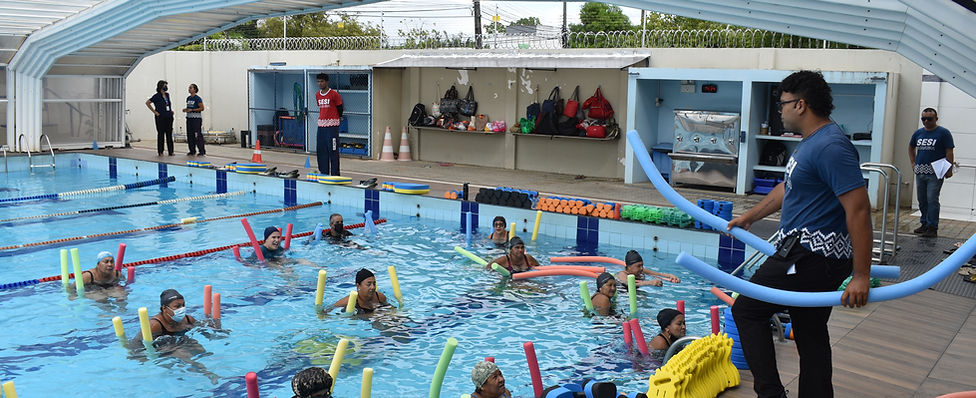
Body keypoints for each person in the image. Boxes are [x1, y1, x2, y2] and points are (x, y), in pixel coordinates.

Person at [726, 70, 872, 398]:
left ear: (801, 104)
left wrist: (862, 275)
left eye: (783, 104)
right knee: (810, 332)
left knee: (746, 310)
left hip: (807, 256)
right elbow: (786, 188)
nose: (780, 111)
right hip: (811, 255)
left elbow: (859, 209)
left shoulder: (831, 146)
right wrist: (751, 216)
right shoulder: (812, 142)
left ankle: (770, 393)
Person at [909, 107, 954, 238]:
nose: (926, 121)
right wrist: (913, 162)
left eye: (929, 119)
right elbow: (911, 147)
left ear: (936, 119)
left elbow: (949, 151)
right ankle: (924, 224)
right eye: (924, 119)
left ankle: (933, 226)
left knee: (932, 199)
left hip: (935, 172)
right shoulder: (918, 133)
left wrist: (949, 169)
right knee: (922, 199)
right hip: (920, 171)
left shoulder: (943, 133)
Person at [315, 73, 343, 176]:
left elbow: (340, 107)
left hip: (332, 126)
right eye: (318, 81)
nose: (320, 83)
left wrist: (338, 117)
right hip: (321, 126)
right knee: (321, 150)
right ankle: (324, 172)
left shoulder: (334, 94)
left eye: (322, 81)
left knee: (333, 150)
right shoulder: (317, 95)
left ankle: (335, 174)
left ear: (327, 82)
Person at [615, 250, 680, 287]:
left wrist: (670, 276)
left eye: (642, 265)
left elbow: (657, 274)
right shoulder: (622, 274)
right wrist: (649, 283)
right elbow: (627, 283)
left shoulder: (640, 270)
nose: (641, 268)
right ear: (629, 267)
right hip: (624, 292)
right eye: (638, 266)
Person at [145, 80, 174, 156]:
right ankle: (160, 151)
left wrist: (171, 110)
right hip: (160, 117)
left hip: (169, 116)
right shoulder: (157, 96)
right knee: (161, 134)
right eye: (165, 86)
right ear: (161, 86)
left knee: (169, 134)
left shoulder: (167, 95)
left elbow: (167, 104)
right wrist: (155, 112)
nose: (166, 87)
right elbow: (148, 102)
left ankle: (171, 151)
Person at [182, 83, 206, 156]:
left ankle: (201, 151)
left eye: (191, 88)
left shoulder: (197, 98)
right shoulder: (188, 98)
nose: (189, 89)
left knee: (197, 135)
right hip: (189, 119)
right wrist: (186, 110)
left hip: (196, 119)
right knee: (190, 134)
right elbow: (189, 107)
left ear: (195, 89)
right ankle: (192, 150)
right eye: (189, 88)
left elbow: (202, 108)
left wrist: (192, 110)